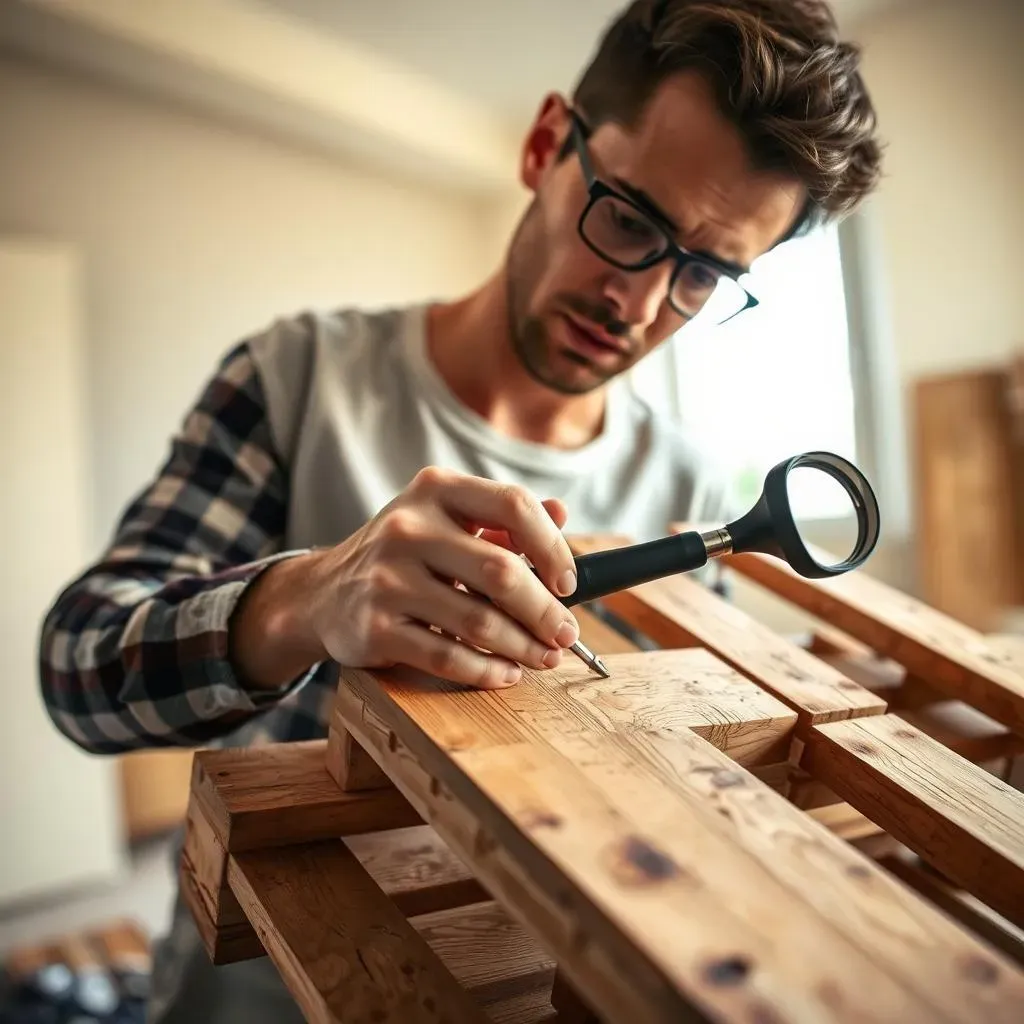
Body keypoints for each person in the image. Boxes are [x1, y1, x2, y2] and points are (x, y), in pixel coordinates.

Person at [38, 0, 883, 1018]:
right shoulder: (299, 378)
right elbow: (76, 672)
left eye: (703, 274)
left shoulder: (697, 491)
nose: (640, 300)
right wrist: (301, 600)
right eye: (628, 219)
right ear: (541, 145)